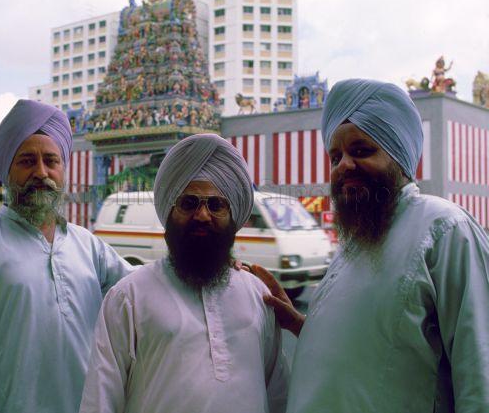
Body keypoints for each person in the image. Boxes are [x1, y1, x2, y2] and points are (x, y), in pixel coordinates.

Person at [253, 79, 489, 412]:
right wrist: (299, 325)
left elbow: (480, 374)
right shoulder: (356, 241)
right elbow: (371, 348)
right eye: (335, 157)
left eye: (361, 151)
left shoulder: (445, 229)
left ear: (399, 156)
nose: (344, 165)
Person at [0, 100, 132, 413]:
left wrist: (222, 271)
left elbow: (147, 290)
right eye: (27, 161)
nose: (41, 172)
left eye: (51, 160)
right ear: (7, 171)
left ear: (63, 169)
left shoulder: (88, 245)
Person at [79, 134, 289, 413]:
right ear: (168, 214)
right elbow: (100, 402)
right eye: (189, 203)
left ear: (233, 218)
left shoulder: (258, 295)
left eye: (216, 205)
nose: (203, 215)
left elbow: (278, 396)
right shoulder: (127, 297)